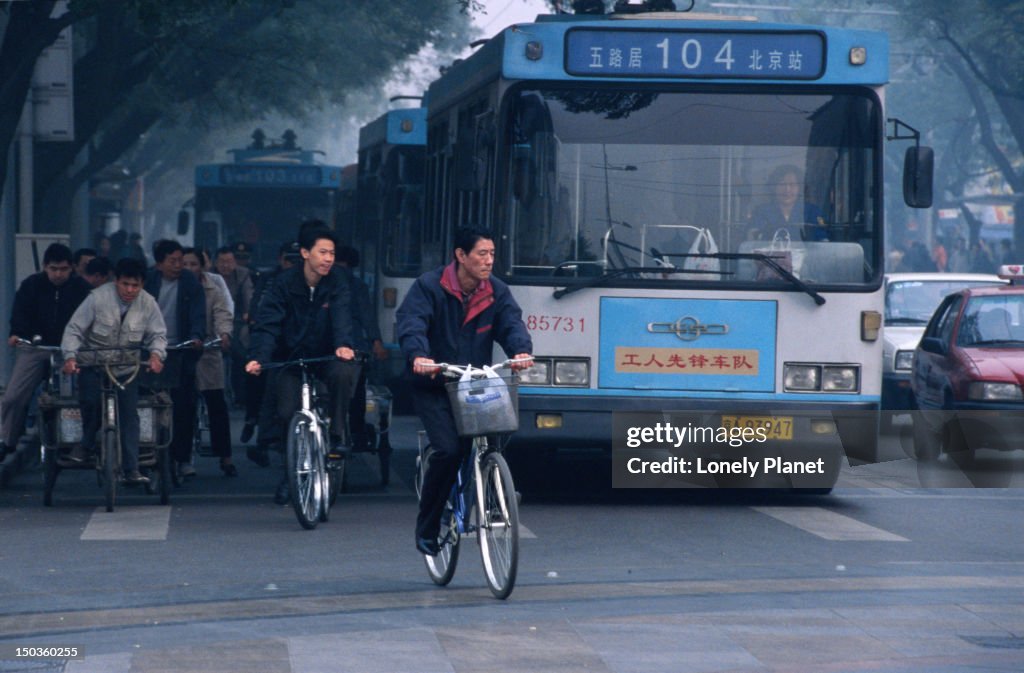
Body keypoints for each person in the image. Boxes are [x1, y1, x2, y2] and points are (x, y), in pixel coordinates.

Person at [396, 227, 533, 556]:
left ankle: (495, 497)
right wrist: (419, 356)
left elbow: (512, 324)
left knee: (498, 431)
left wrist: (520, 352)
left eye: (492, 254)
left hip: (474, 382)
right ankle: (428, 524)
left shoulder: (496, 291)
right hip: (434, 382)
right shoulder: (429, 287)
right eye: (481, 254)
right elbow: (411, 321)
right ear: (460, 255)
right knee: (449, 450)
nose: (489, 261)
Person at [245, 224, 358, 504]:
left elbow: (342, 316)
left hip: (327, 355)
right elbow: (268, 325)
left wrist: (343, 345)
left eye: (332, 253)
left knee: (344, 373)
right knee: (286, 414)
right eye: (323, 252)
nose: (328, 258)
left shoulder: (338, 282)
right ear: (305, 253)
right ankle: (290, 476)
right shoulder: (283, 284)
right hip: (290, 358)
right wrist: (259, 357)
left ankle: (337, 432)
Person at [61, 258, 166, 483]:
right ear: (116, 281)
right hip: (94, 365)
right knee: (89, 401)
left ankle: (132, 468)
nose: (130, 290)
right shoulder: (97, 298)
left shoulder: (148, 303)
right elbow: (74, 330)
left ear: (142, 285)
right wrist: (70, 357)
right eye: (125, 284)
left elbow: (157, 335)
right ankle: (86, 443)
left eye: (135, 285)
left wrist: (157, 356)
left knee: (130, 416)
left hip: (127, 369)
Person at [0, 244, 91, 462]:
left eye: (63, 269)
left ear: (72, 269)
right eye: (53, 269)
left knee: (82, 395)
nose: (58, 274)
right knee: (13, 396)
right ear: (44, 267)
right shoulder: (31, 285)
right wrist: (18, 334)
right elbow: (19, 315)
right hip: (36, 348)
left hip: (72, 350)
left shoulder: (81, 289)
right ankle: (7, 440)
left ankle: (81, 441)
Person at [145, 239, 206, 478]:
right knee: (145, 405)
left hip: (181, 352)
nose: (179, 265)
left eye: (181, 260)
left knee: (184, 406)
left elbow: (198, 315)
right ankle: (145, 456)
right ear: (159, 264)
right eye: (173, 261)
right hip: (150, 351)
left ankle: (182, 458)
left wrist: (197, 337)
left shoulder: (191, 283)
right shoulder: (148, 281)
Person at [244, 241, 301, 466]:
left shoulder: (313, 280)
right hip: (276, 345)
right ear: (281, 259)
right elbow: (259, 314)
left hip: (306, 346)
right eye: (289, 259)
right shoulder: (271, 281)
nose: (292, 264)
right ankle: (263, 437)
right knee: (267, 389)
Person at [182, 248, 237, 476]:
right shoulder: (174, 285)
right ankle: (182, 457)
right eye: (185, 264)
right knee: (182, 407)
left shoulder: (214, 285)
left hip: (208, 349)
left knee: (216, 403)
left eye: (194, 264)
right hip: (180, 351)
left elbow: (224, 311)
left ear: (203, 266)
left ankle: (225, 456)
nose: (189, 269)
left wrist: (224, 334)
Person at [335, 245, 387, 452]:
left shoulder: (325, 281)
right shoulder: (357, 285)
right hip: (356, 345)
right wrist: (376, 342)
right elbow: (367, 316)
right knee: (356, 393)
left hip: (331, 346)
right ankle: (357, 433)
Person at [213, 246, 254, 408]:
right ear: (216, 263)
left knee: (240, 353)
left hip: (236, 319)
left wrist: (247, 313)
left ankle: (241, 395)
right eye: (222, 262)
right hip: (214, 319)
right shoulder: (210, 276)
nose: (226, 266)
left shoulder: (243, 275)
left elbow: (248, 296)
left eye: (229, 262)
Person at [749, 165, 827, 242]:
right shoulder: (762, 211)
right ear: (773, 187)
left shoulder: (813, 211)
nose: (787, 189)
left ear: (800, 188)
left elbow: (823, 238)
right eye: (782, 184)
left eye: (792, 184)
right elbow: (753, 235)